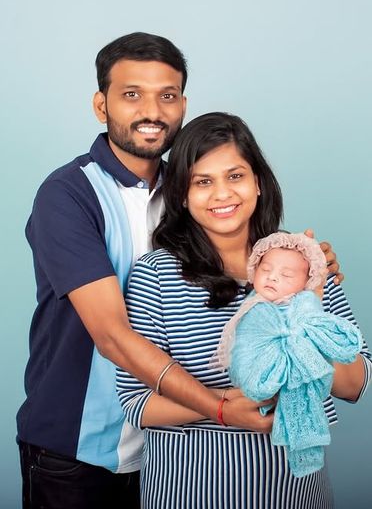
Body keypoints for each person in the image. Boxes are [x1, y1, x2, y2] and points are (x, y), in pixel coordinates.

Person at [17, 32, 342, 508]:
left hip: (170, 455)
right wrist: (219, 407)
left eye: (166, 96)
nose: (152, 111)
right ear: (100, 104)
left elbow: (250, 260)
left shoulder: (195, 187)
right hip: (79, 447)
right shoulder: (68, 195)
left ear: (183, 104)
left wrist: (305, 263)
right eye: (132, 94)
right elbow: (112, 336)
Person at [116, 112, 371, 509]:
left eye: (235, 176)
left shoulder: (304, 262)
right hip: (189, 492)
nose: (222, 194)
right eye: (203, 182)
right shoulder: (156, 276)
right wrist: (222, 407)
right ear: (182, 195)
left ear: (259, 184)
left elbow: (354, 385)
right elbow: (136, 402)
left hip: (297, 492)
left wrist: (309, 309)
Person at [214, 231, 363, 478]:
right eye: (266, 270)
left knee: (300, 386)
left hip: (297, 489)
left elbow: (355, 380)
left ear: (307, 281)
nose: (273, 278)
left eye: (286, 275)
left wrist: (312, 303)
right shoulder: (253, 304)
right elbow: (246, 344)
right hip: (217, 465)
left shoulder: (310, 296)